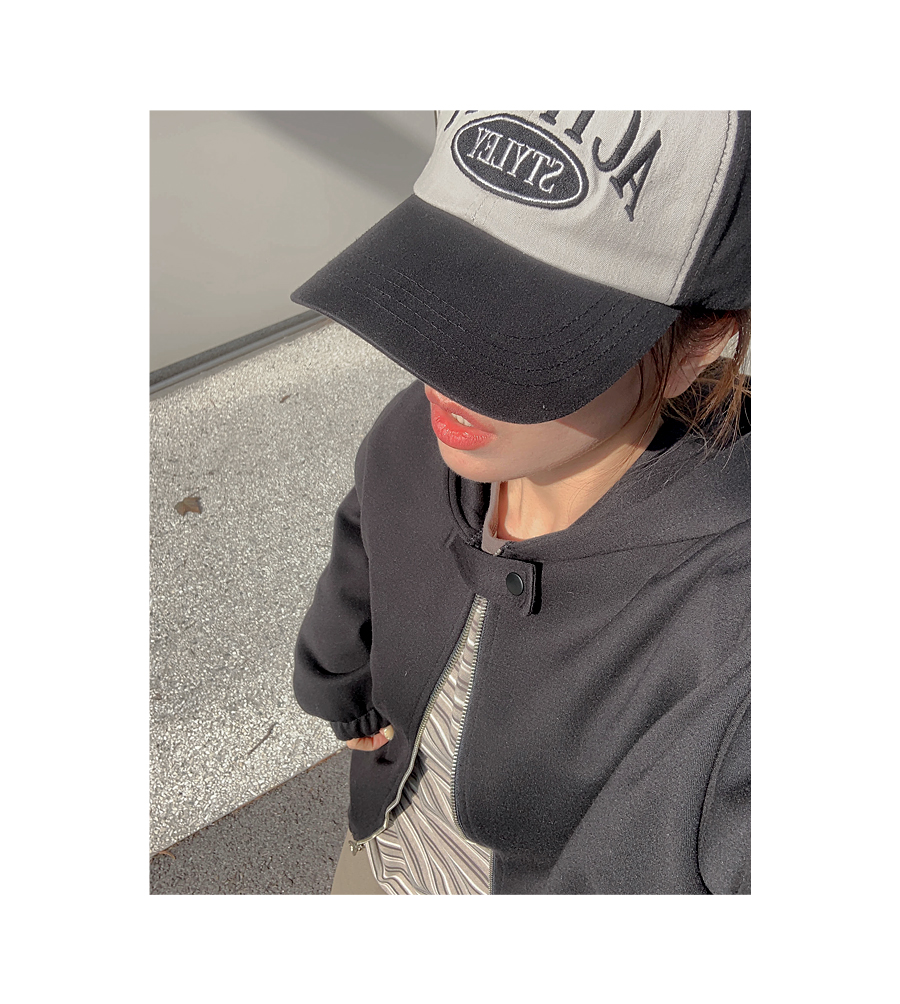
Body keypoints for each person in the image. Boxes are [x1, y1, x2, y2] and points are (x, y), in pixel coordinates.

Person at [290, 110, 750, 894]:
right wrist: (341, 688)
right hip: (382, 836)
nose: (439, 370)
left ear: (698, 346)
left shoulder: (734, 618)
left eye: (520, 329)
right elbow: (367, 538)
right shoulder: (420, 432)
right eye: (436, 281)